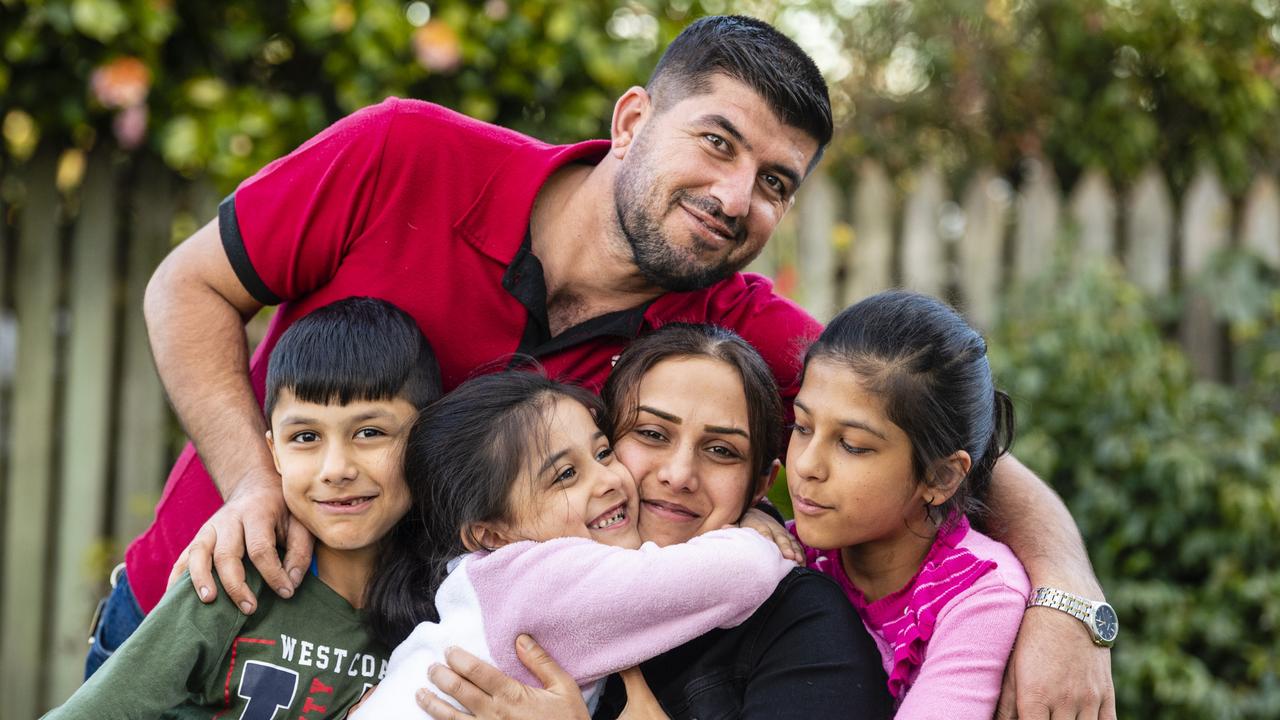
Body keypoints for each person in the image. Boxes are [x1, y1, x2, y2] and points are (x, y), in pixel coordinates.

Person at [106, 14, 1113, 718]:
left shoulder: (718, 330)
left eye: (772, 183)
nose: (733, 197)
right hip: (195, 623)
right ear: (632, 121)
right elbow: (187, 288)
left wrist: (1063, 597)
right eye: (713, 144)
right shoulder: (403, 154)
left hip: (399, 678)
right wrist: (249, 481)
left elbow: (930, 435)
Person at [416, 324, 895, 720]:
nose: (679, 474)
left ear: (759, 485)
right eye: (650, 433)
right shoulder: (514, 573)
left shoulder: (801, 621)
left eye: (722, 452)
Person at [51, 297, 441, 717]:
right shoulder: (231, 585)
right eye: (306, 437)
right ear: (273, 453)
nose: (336, 469)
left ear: (426, 438)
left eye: (369, 432)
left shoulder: (450, 609)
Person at [354, 370, 796, 717]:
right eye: (565, 475)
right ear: (492, 533)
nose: (608, 479)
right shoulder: (545, 581)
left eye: (603, 453)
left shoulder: (491, 584)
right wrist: (752, 530)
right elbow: (743, 575)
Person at [786, 290, 1030, 717]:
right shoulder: (789, 554)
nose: (807, 465)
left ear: (941, 476)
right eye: (802, 427)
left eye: (852, 445)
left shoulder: (979, 595)